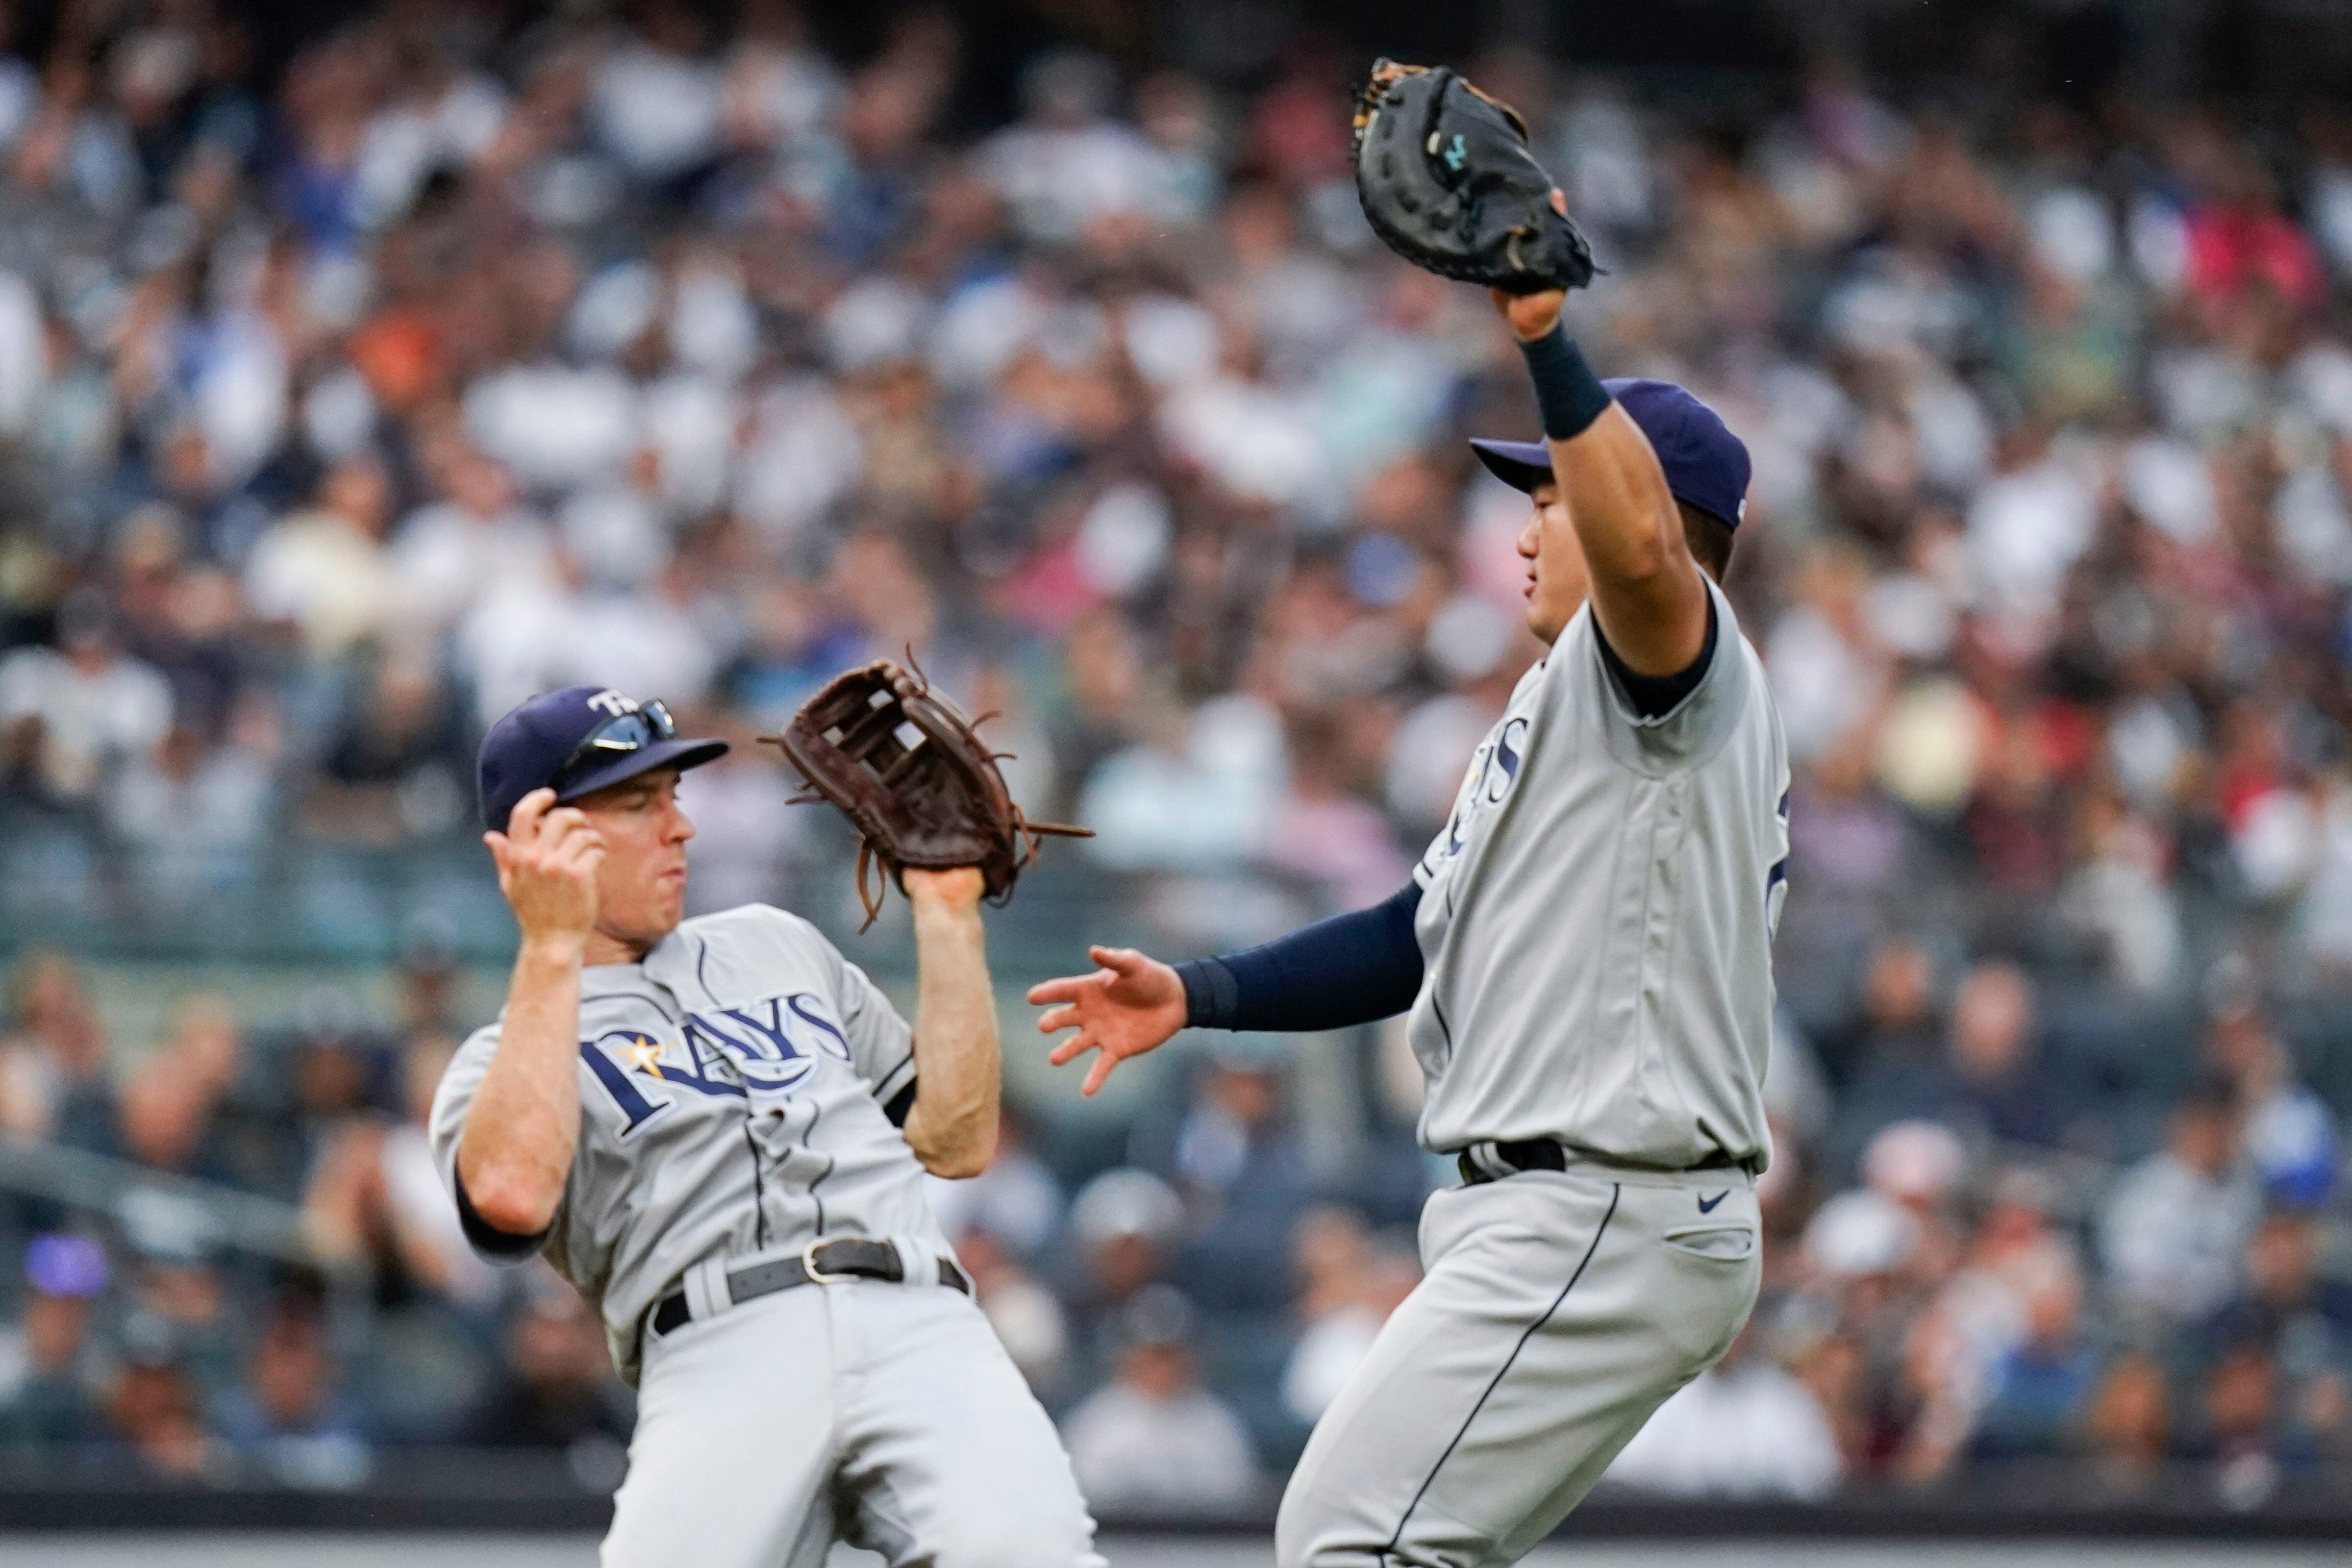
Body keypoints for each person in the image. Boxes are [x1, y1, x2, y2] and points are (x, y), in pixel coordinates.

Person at [1032, 273, 1787, 1566]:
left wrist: (1548, 340)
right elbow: (1410, 931)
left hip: (1601, 1201)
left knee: (1352, 1538)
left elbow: (1650, 561)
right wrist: (1198, 992)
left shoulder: (1676, 664)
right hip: (1570, 1209)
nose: (1522, 529)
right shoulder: (1570, 703)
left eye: (1548, 495)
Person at [430, 684, 1100, 1567]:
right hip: (718, 1348)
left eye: (673, 797)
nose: (682, 828)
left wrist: (945, 911)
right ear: (539, 837)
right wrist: (551, 946)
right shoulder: (497, 1057)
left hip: (920, 1319)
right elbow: (511, 1200)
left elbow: (956, 1138)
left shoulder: (776, 943)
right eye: (639, 804)